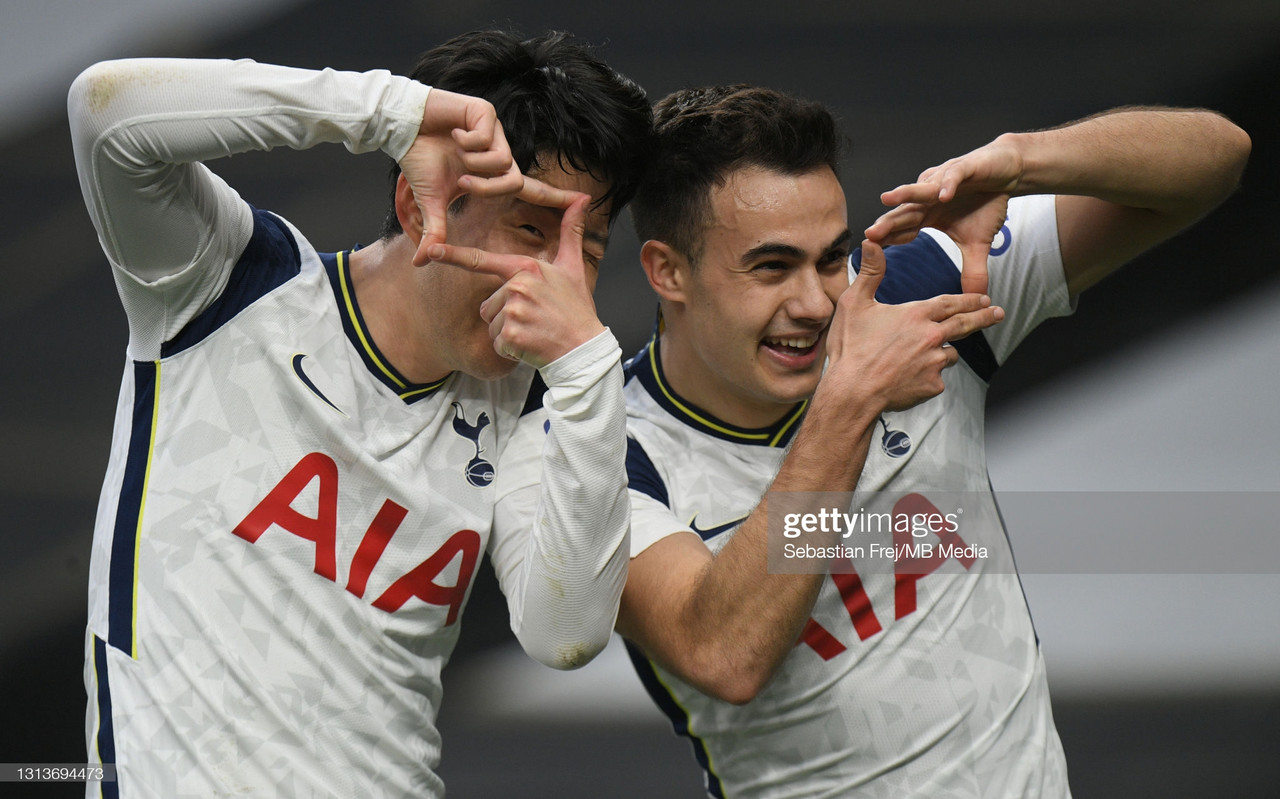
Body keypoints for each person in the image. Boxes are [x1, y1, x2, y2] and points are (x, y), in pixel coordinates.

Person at [609, 86, 1250, 796]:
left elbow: (1218, 159)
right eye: (770, 267)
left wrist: (1024, 160)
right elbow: (727, 653)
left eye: (830, 258)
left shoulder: (914, 295)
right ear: (667, 271)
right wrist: (851, 402)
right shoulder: (603, 457)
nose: (817, 303)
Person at [70, 30, 652, 797]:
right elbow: (106, 115)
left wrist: (585, 368)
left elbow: (566, 632)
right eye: (532, 230)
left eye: (589, 247)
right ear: (422, 203)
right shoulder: (229, 287)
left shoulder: (547, 410)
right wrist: (386, 111)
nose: (560, 280)